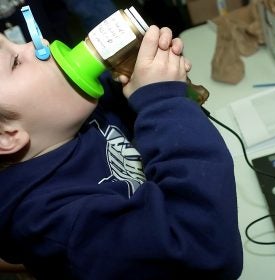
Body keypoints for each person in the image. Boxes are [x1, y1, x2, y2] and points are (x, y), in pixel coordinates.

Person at [0, 23, 243, 279]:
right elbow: (206, 250)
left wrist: (140, 72)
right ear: (6, 135)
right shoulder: (56, 223)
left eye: (17, 42)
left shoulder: (68, 122)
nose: (40, 45)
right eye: (15, 62)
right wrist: (163, 102)